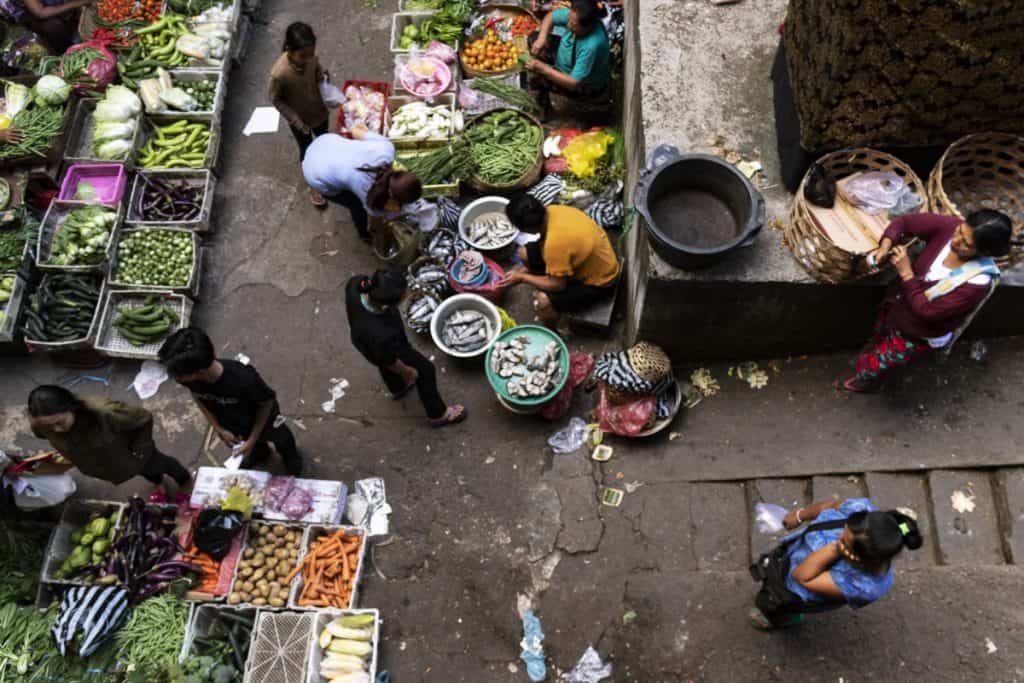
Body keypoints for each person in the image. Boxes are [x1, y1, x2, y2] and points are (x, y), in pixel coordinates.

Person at [835, 210, 1013, 392]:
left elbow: (927, 312)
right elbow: (904, 222)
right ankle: (872, 359)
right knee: (881, 337)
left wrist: (906, 274)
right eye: (960, 231)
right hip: (897, 308)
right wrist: (885, 247)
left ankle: (866, 382)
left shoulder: (977, 282)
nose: (956, 239)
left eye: (966, 244)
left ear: (984, 252)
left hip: (917, 333)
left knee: (880, 361)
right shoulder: (950, 227)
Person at [749, 497, 923, 630]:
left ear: (859, 558)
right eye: (844, 530)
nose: (840, 536)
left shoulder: (864, 585)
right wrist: (800, 515)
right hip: (791, 554)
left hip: (795, 590)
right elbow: (831, 505)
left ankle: (780, 617)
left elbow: (801, 577)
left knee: (777, 603)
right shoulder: (860, 509)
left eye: (845, 542)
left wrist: (834, 550)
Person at [158, 327, 303, 476]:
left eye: (177, 376)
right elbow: (198, 398)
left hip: (265, 421)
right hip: (235, 425)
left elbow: (266, 404)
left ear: (199, 372)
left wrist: (252, 440)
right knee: (254, 449)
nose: (175, 379)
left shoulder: (244, 379)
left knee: (282, 439)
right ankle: (260, 453)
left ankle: (291, 458)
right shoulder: (192, 380)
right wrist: (219, 429)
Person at [345, 270, 466, 427]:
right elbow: (389, 360)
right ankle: (438, 414)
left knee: (382, 364)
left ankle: (398, 388)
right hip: (382, 344)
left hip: (363, 340)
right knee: (425, 370)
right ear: (386, 305)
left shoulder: (355, 285)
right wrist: (407, 372)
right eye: (403, 295)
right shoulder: (381, 334)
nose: (407, 294)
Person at [27, 385, 191, 494]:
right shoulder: (41, 422)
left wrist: (139, 451)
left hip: (132, 454)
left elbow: (144, 419)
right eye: (50, 427)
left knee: (158, 464)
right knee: (144, 473)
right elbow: (42, 434)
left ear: (71, 407)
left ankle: (184, 480)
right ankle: (158, 481)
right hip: (107, 465)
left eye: (59, 423)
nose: (56, 430)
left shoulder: (106, 412)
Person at [499, 193, 620, 328]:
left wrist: (522, 277)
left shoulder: (555, 244)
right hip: (590, 258)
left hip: (601, 281)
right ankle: (542, 278)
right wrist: (524, 270)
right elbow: (544, 244)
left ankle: (553, 332)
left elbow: (558, 285)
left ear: (526, 229)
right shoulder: (554, 210)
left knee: (543, 301)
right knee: (524, 253)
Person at [303, 123, 422, 242]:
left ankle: (335, 176)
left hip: (324, 142)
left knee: (345, 179)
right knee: (356, 205)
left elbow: (355, 130)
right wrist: (393, 214)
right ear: (390, 194)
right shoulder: (366, 190)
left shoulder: (387, 148)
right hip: (314, 173)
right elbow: (375, 213)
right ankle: (364, 234)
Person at [268, 22, 330, 207]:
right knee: (307, 150)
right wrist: (295, 120)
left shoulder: (312, 59)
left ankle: (327, 173)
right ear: (289, 49)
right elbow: (276, 100)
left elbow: (318, 70)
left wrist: (323, 76)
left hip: (319, 111)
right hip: (300, 120)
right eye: (303, 56)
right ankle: (314, 184)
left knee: (324, 142)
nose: (307, 59)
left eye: (310, 54)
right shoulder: (279, 74)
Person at [525, 0, 611, 114]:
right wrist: (542, 38)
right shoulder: (576, 16)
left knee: (536, 78)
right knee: (534, 38)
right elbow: (551, 17)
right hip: (568, 55)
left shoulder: (591, 46)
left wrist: (544, 69)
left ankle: (544, 111)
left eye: (573, 24)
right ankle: (552, 67)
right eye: (569, 19)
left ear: (587, 27)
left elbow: (573, 82)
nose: (568, 24)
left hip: (582, 85)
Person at [1, 0, 94, 54]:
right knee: (54, 27)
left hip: (58, 9)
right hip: (36, 16)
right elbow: (40, 13)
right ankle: (66, 53)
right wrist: (80, 2)